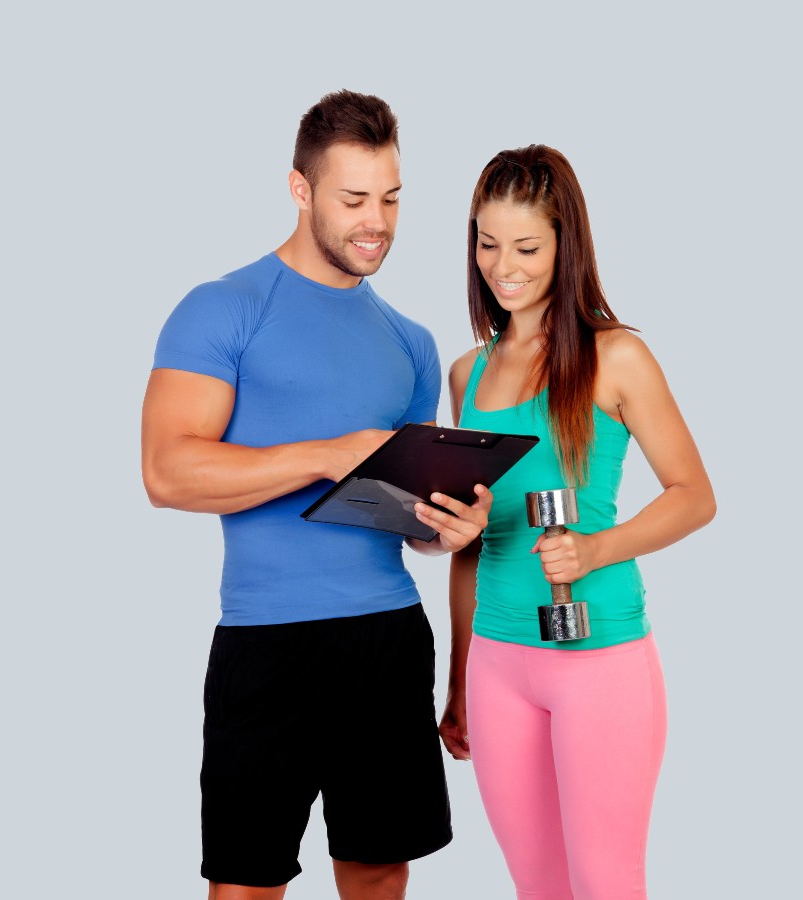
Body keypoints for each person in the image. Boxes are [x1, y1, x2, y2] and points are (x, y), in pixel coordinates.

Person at [141, 89, 492, 900]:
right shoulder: (223, 308)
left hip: (387, 639)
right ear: (300, 191)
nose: (378, 221)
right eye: (354, 199)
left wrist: (450, 527)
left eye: (393, 198)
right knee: (246, 883)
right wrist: (325, 454)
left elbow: (407, 521)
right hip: (268, 643)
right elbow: (167, 472)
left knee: (376, 873)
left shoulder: (411, 341)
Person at [436, 145, 716, 900]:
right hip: (497, 663)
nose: (504, 266)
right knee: (538, 887)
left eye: (526, 247)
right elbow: (470, 547)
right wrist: (458, 677)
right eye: (487, 244)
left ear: (566, 245)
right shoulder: (468, 373)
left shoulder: (617, 356)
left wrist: (596, 548)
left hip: (601, 659)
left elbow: (694, 494)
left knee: (605, 883)